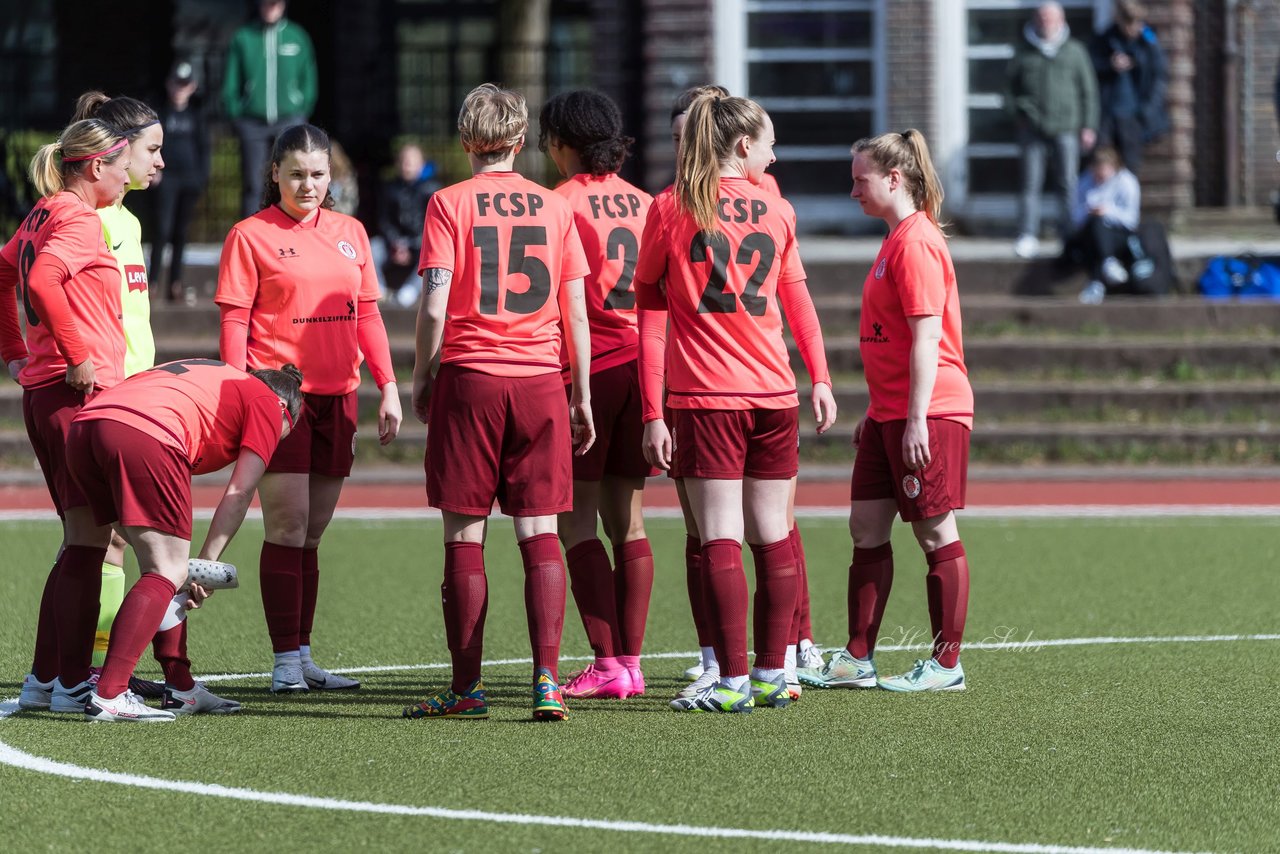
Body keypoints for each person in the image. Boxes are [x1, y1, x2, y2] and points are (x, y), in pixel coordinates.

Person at [635, 92, 837, 714]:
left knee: (719, 536)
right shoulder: (777, 209)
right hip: (775, 392)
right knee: (774, 536)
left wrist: (651, 411)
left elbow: (648, 314)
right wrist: (821, 378)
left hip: (707, 396)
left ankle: (730, 680)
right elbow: (798, 298)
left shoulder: (671, 208)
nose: (773, 153)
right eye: (768, 142)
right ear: (743, 146)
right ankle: (777, 673)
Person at [403, 83, 593, 722]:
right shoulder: (554, 206)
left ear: (464, 141)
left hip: (473, 378)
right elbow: (574, 312)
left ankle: (466, 690)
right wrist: (582, 393)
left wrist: (423, 375)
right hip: (541, 379)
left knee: (465, 532)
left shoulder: (448, 203)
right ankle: (546, 681)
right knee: (541, 532)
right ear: (519, 141)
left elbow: (433, 302)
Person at [216, 123, 401, 694]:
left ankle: (303, 654)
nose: (307, 184)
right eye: (295, 173)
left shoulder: (351, 233)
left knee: (313, 534)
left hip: (339, 398)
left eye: (317, 174)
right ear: (274, 174)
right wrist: (237, 388)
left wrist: (388, 384)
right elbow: (235, 321)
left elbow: (367, 314)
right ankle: (283, 665)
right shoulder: (250, 236)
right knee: (288, 526)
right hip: (279, 397)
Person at [805, 129, 973, 693]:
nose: (853, 191)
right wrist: (879, 411)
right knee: (866, 527)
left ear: (894, 179)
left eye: (861, 180)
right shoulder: (894, 237)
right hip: (890, 413)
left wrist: (917, 418)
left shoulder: (917, 240)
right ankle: (857, 657)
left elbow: (927, 338)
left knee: (934, 534)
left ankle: (947, 666)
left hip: (928, 411)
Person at [69, 360, 304, 721]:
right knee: (169, 569)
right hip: (144, 432)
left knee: (158, 567)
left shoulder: (222, 378)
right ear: (287, 412)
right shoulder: (270, 404)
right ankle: (110, 693)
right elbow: (240, 492)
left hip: (85, 428)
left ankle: (176, 685)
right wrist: (205, 566)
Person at [0, 118, 132, 713]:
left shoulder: (42, 212)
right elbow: (43, 280)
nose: (129, 172)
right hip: (73, 392)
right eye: (123, 160)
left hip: (45, 393)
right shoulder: (78, 218)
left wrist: (13, 350)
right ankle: (74, 686)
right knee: (88, 542)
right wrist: (77, 354)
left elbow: (6, 269)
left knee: (79, 542)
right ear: (96, 166)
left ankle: (45, 680)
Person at [538, 89, 654, 701]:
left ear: (560, 143)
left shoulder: (557, 203)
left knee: (576, 521)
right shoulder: (646, 202)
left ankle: (608, 662)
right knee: (628, 521)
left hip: (588, 372)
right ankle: (631, 663)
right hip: (645, 370)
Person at [69, 91, 169, 697]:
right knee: (101, 535)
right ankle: (90, 669)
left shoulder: (127, 220)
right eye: (153, 150)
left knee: (112, 537)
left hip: (134, 394)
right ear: (120, 150)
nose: (161, 162)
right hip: (101, 394)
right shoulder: (88, 217)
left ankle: (95, 666)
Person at [1006, 1, 1098, 259]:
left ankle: (1068, 234)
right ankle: (1027, 234)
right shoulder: (1023, 52)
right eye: (1042, 18)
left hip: (1066, 127)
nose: (1046, 23)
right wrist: (1018, 115)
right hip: (1032, 128)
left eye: (1051, 18)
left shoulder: (1075, 52)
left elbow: (1088, 92)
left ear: (1061, 20)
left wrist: (1088, 125)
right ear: (1036, 20)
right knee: (1029, 183)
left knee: (1067, 183)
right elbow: (1008, 92)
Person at [222, 0, 317, 218]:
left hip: (289, 120)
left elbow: (308, 78)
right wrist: (237, 113)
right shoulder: (244, 37)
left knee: (292, 178)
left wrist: (302, 107)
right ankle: (250, 237)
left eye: (275, 4)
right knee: (253, 183)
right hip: (252, 121)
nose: (270, 9)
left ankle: (289, 232)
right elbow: (231, 80)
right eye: (267, 4)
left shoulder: (297, 36)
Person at [151, 60, 210, 304]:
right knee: (162, 230)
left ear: (192, 87)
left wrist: (200, 178)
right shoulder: (160, 114)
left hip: (189, 179)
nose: (180, 89)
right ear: (169, 84)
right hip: (167, 178)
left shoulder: (197, 118)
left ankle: (175, 282)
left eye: (185, 84)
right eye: (177, 83)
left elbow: (204, 149)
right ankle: (152, 281)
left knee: (180, 232)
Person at [1090, 0, 1168, 175]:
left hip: (1134, 114)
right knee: (1103, 162)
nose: (1133, 29)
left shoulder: (1149, 41)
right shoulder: (1105, 38)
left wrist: (1146, 112)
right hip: (1108, 113)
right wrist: (1110, 65)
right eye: (1129, 24)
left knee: (1131, 166)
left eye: (1136, 24)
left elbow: (1158, 75)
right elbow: (1091, 67)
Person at [1066, 146, 1145, 304]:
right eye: (1097, 171)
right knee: (1095, 227)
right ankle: (1107, 264)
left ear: (1114, 167)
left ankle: (1096, 281)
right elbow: (1075, 216)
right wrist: (1090, 212)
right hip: (1090, 232)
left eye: (1104, 170)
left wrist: (1108, 212)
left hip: (1119, 234)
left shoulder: (1127, 182)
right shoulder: (1085, 181)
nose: (1100, 176)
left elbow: (1132, 220)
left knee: (1099, 228)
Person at [374, 142, 440, 307]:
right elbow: (384, 220)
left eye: (411, 161)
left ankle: (409, 291)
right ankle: (378, 289)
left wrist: (411, 245)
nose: (407, 166)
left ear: (422, 164)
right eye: (403, 161)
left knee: (435, 254)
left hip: (420, 244)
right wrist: (396, 242)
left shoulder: (433, 190)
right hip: (394, 244)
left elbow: (434, 225)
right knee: (372, 247)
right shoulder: (390, 189)